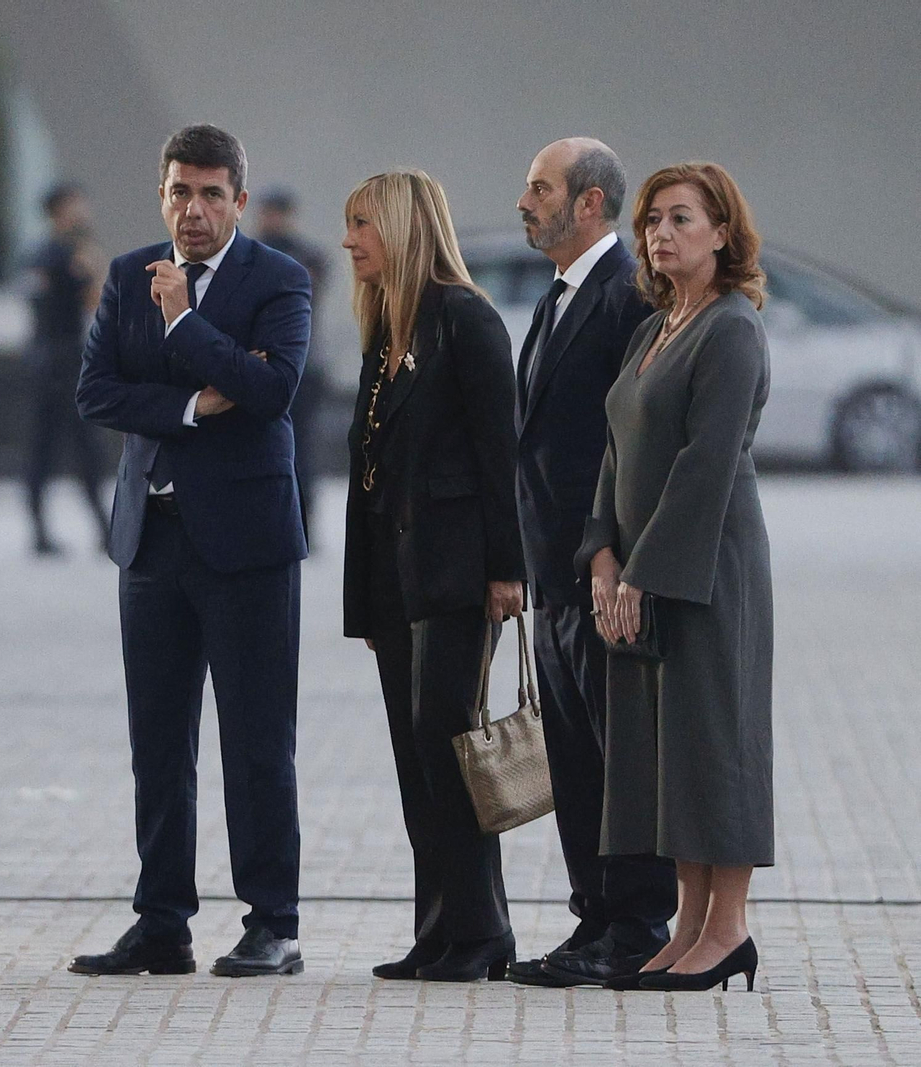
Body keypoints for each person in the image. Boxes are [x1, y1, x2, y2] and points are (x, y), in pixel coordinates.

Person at [70, 125, 311, 978]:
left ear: (239, 201)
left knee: (255, 741)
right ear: (161, 194)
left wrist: (186, 322)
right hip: (152, 542)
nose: (195, 209)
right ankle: (161, 921)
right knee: (159, 743)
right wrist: (188, 406)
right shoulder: (132, 275)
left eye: (212, 194)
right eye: (180, 192)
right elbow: (94, 390)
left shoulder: (278, 277)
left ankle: (272, 922)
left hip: (246, 548)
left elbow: (274, 390)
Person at [576, 161, 774, 993]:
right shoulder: (654, 326)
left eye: (682, 218)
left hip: (705, 570)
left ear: (723, 232)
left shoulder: (731, 328)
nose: (660, 233)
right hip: (642, 569)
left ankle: (727, 930)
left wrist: (644, 575)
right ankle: (689, 925)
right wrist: (601, 553)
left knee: (715, 744)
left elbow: (705, 466)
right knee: (671, 755)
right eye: (653, 219)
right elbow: (616, 449)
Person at [340, 169, 525, 982]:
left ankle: (483, 931)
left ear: (403, 228)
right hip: (395, 575)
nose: (349, 242)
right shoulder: (390, 327)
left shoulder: (465, 320)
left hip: (457, 574)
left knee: (448, 747)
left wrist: (508, 571)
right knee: (416, 755)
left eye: (362, 225)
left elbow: (500, 456)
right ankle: (440, 928)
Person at [507, 139, 677, 989]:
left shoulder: (626, 298)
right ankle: (596, 921)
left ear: (591, 204)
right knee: (574, 759)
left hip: (602, 573)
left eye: (540, 188)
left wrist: (616, 560)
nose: (523, 202)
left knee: (620, 760)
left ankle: (640, 923)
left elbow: (632, 446)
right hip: (553, 576)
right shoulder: (559, 297)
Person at [21, 182, 110, 555]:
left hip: (54, 357)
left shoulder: (47, 253)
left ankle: (90, 529)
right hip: (60, 359)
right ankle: (93, 529)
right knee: (73, 445)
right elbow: (95, 297)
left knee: (54, 446)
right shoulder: (59, 254)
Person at [253, 188, 329, 543]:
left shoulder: (305, 257)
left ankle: (303, 524)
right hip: (259, 366)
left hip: (300, 368)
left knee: (298, 450)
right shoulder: (250, 254)